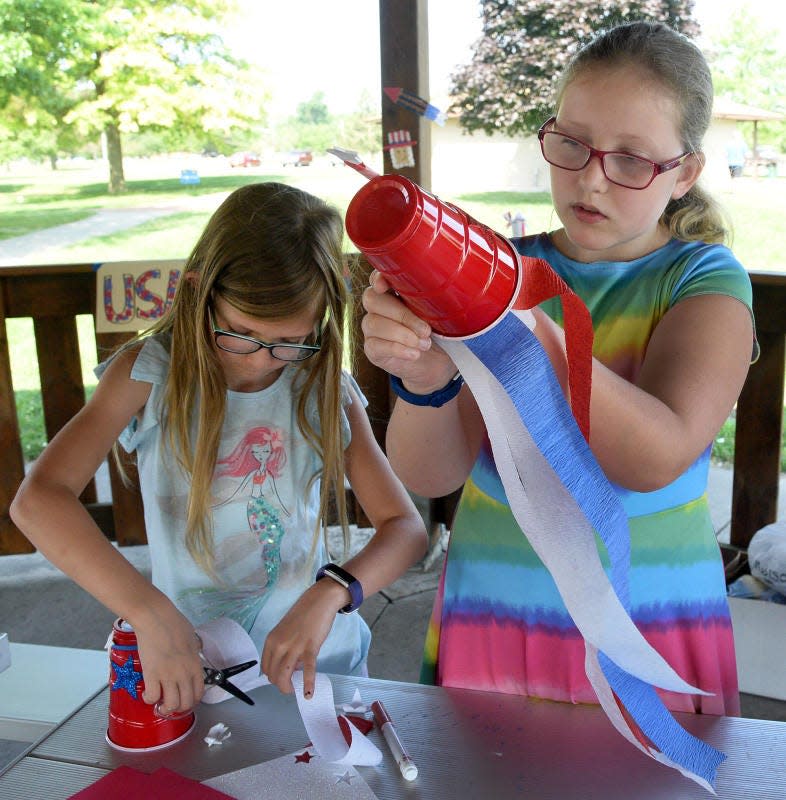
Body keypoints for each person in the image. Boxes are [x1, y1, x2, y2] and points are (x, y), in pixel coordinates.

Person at [361, 21, 756, 716]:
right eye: (571, 143)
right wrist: (422, 377)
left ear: (686, 172)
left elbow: (656, 454)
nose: (591, 179)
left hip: (648, 627)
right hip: (494, 608)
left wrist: (522, 320)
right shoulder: (500, 265)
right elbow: (431, 476)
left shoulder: (704, 280)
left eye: (632, 160)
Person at [11, 182, 427, 713]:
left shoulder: (320, 385)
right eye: (239, 333)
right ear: (196, 291)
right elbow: (39, 499)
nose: (259, 362)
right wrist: (150, 614)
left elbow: (405, 528)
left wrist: (331, 593)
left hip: (318, 665)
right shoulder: (149, 375)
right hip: (194, 664)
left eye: (289, 342)